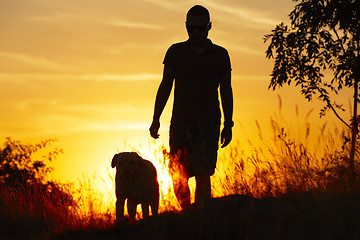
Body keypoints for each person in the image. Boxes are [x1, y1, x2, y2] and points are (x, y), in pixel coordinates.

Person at [149, 5, 233, 210]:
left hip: (209, 122)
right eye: (192, 28)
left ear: (209, 27)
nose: (196, 32)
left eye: (201, 28)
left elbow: (226, 90)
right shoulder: (175, 52)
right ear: (186, 27)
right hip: (180, 122)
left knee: (204, 173)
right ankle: (187, 213)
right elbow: (165, 85)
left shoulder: (220, 55)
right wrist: (155, 118)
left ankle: (200, 215)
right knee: (178, 173)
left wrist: (228, 123)